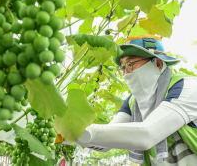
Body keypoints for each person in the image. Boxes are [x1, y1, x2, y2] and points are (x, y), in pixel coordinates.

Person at [77, 34, 197, 166]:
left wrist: (86, 131)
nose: (126, 73)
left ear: (157, 63)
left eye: (130, 64)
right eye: (123, 67)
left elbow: (147, 134)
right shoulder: (133, 102)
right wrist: (69, 134)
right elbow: (106, 143)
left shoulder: (186, 88)